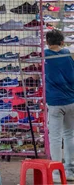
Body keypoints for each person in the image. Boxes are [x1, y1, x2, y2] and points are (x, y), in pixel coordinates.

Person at [45, 30, 74, 181]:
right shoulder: (68, 54)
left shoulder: (44, 55)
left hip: (54, 101)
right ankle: (70, 170)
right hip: (71, 100)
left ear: (47, 42)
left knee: (55, 138)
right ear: (62, 42)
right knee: (70, 135)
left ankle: (56, 172)